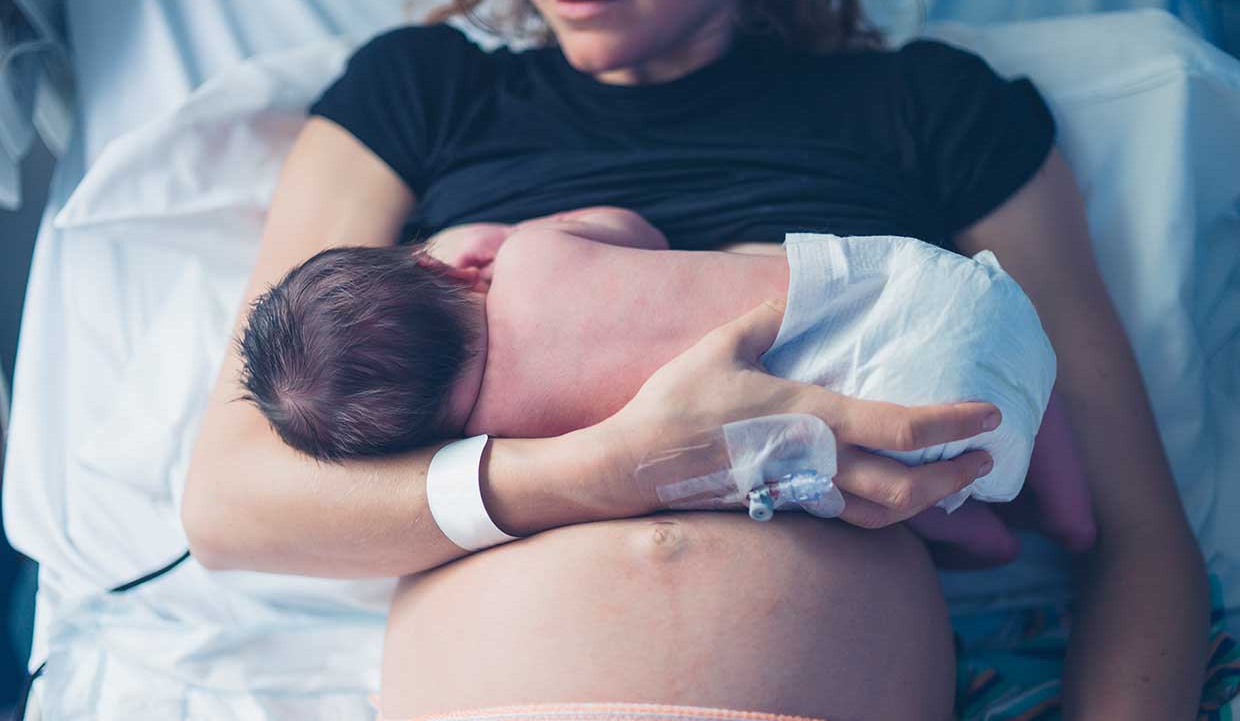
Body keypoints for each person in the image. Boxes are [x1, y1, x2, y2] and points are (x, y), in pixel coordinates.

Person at [182, 0, 1210, 719]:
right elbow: (234, 502)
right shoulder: (424, 95)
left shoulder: (934, 110)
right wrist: (605, 468)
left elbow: (1136, 532)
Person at [238, 205, 1093, 566]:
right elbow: (634, 231)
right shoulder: (527, 255)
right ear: (461, 265)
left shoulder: (510, 442)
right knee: (1002, 344)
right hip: (915, 292)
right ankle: (1073, 504)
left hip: (845, 429)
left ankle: (1002, 540)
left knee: (919, 496)